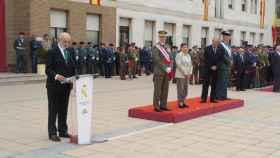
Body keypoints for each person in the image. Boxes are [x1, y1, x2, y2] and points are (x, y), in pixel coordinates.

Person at [45, 32, 75, 142]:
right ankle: (52, 133)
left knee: (63, 109)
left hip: (66, 86)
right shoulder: (52, 52)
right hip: (54, 86)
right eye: (65, 41)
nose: (67, 44)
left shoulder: (70, 51)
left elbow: (72, 67)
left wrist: (72, 80)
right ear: (59, 40)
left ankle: (62, 130)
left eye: (68, 42)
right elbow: (48, 70)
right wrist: (57, 76)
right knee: (53, 110)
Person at [152, 31, 173, 112]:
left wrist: (170, 67)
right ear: (159, 37)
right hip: (159, 72)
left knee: (165, 90)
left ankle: (163, 105)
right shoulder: (156, 47)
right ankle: (156, 106)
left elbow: (170, 58)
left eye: (164, 37)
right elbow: (156, 59)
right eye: (161, 37)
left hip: (167, 72)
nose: (162, 39)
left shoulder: (167, 46)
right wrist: (165, 67)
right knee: (158, 90)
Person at [200, 37, 223, 103]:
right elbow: (205, 59)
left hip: (216, 69)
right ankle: (203, 98)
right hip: (208, 69)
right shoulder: (207, 48)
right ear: (212, 41)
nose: (216, 43)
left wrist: (217, 66)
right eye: (215, 42)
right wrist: (211, 66)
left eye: (217, 42)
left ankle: (212, 99)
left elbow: (220, 60)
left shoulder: (220, 49)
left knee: (214, 84)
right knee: (205, 84)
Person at [216, 31, 232, 101]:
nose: (228, 38)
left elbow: (230, 55)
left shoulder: (228, 45)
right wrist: (229, 61)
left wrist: (232, 61)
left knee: (225, 81)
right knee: (221, 81)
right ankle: (218, 96)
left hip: (227, 66)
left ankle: (224, 95)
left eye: (229, 36)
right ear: (224, 37)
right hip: (222, 65)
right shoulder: (220, 45)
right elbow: (222, 56)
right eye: (227, 36)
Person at [175, 43, 193, 108]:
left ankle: (183, 101)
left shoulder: (188, 55)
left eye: (186, 47)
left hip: (187, 75)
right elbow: (179, 65)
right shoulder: (178, 55)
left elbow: (191, 65)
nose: (185, 48)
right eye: (184, 47)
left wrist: (190, 73)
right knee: (180, 89)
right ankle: (180, 103)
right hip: (180, 75)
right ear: (181, 48)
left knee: (185, 89)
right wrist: (185, 73)